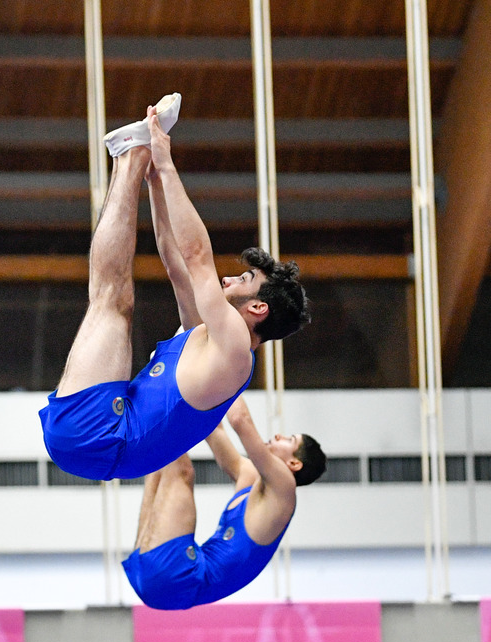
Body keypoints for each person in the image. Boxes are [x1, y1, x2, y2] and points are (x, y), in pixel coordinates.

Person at [38, 94, 311, 481]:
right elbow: (176, 262)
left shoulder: (235, 349)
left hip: (102, 438)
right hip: (102, 434)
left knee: (113, 302)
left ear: (258, 308)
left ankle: (133, 154)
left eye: (244, 280)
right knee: (113, 300)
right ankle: (132, 158)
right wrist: (155, 183)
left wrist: (165, 162)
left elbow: (198, 255)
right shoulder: (211, 336)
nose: (229, 279)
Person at [122, 395, 327, 609]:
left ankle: (152, 402)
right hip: (147, 572)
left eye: (289, 439)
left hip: (178, 579)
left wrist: (233, 375)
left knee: (181, 470)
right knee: (158, 466)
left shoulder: (285, 489)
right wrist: (205, 387)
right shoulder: (250, 477)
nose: (278, 435)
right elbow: (215, 429)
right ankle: (155, 399)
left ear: (293, 463)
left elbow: (240, 419)